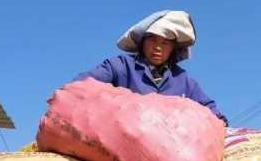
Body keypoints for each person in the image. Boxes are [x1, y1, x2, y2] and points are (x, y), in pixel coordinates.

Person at [75, 10, 227, 125]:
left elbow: (209, 108)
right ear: (143, 43)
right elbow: (82, 84)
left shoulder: (184, 81)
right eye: (152, 40)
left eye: (165, 43)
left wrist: (219, 120)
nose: (158, 48)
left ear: (173, 48)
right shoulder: (121, 66)